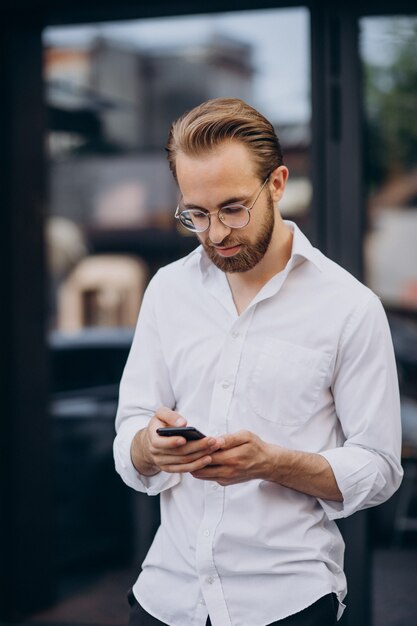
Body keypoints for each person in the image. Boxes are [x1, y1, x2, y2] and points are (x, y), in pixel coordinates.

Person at [114, 98, 403, 626]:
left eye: (231, 208)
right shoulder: (166, 290)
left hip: (287, 603)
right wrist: (147, 447)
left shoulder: (350, 306)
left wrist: (273, 463)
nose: (217, 233)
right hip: (166, 598)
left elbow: (380, 469)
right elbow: (130, 429)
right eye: (196, 214)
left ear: (277, 184)